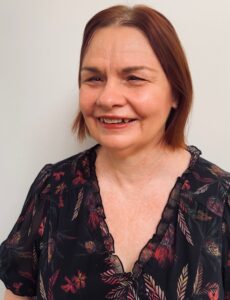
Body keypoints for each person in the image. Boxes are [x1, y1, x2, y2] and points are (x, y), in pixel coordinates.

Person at [0, 4, 229, 300]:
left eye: (134, 78)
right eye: (94, 78)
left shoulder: (220, 201)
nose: (108, 98)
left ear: (175, 91)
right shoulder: (53, 190)